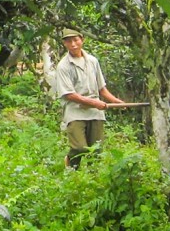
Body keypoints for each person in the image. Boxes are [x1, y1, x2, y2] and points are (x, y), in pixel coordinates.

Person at [52, 28, 125, 168]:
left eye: (76, 40)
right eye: (69, 41)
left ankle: (94, 179)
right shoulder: (63, 66)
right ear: (64, 44)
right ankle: (71, 165)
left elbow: (101, 88)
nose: (73, 44)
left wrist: (116, 101)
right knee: (80, 148)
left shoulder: (92, 61)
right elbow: (69, 94)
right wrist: (92, 102)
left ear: (82, 40)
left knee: (96, 150)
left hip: (95, 112)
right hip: (75, 111)